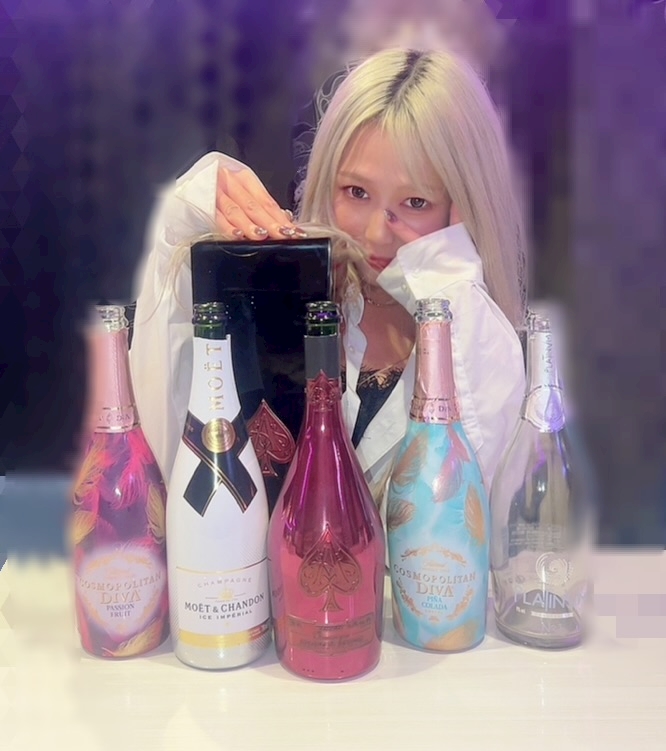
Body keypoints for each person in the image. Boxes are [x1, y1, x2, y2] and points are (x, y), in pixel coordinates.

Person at [129, 47, 527, 518]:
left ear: (464, 206)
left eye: (416, 202)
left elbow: (466, 517)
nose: (376, 234)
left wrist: (451, 297)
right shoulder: (271, 300)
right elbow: (165, 439)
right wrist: (186, 220)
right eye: (356, 192)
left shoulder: (484, 342)